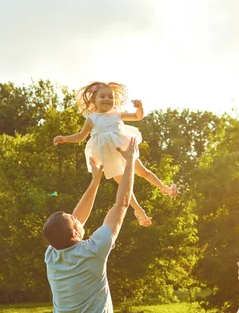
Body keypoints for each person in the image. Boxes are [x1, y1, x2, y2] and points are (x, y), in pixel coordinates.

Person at [42, 138, 140, 313]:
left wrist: (95, 179)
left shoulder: (52, 254)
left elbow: (75, 220)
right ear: (75, 233)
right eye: (75, 221)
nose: (77, 217)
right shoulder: (94, 250)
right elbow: (122, 204)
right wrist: (129, 163)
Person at [53, 81, 179, 227]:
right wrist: (64, 139)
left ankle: (165, 188)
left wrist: (140, 107)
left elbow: (138, 117)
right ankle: (139, 211)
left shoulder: (117, 113)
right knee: (125, 187)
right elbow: (80, 136)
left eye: (110, 97)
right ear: (94, 100)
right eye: (102, 96)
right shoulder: (91, 119)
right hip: (109, 157)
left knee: (144, 172)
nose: (107, 99)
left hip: (124, 150)